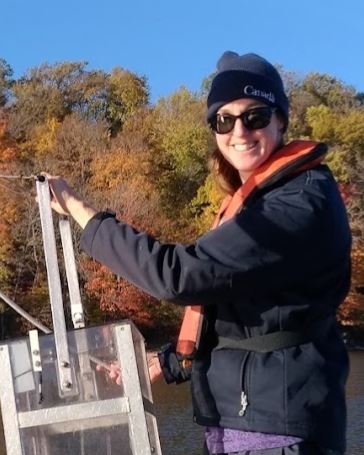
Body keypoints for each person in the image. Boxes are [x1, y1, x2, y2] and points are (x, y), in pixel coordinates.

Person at [46, 51, 351, 455]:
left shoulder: (296, 204)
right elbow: (243, 320)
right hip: (242, 426)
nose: (238, 130)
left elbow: (179, 276)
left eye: (254, 116)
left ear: (280, 120)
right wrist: (166, 362)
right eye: (223, 119)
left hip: (278, 433)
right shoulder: (265, 202)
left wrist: (80, 211)